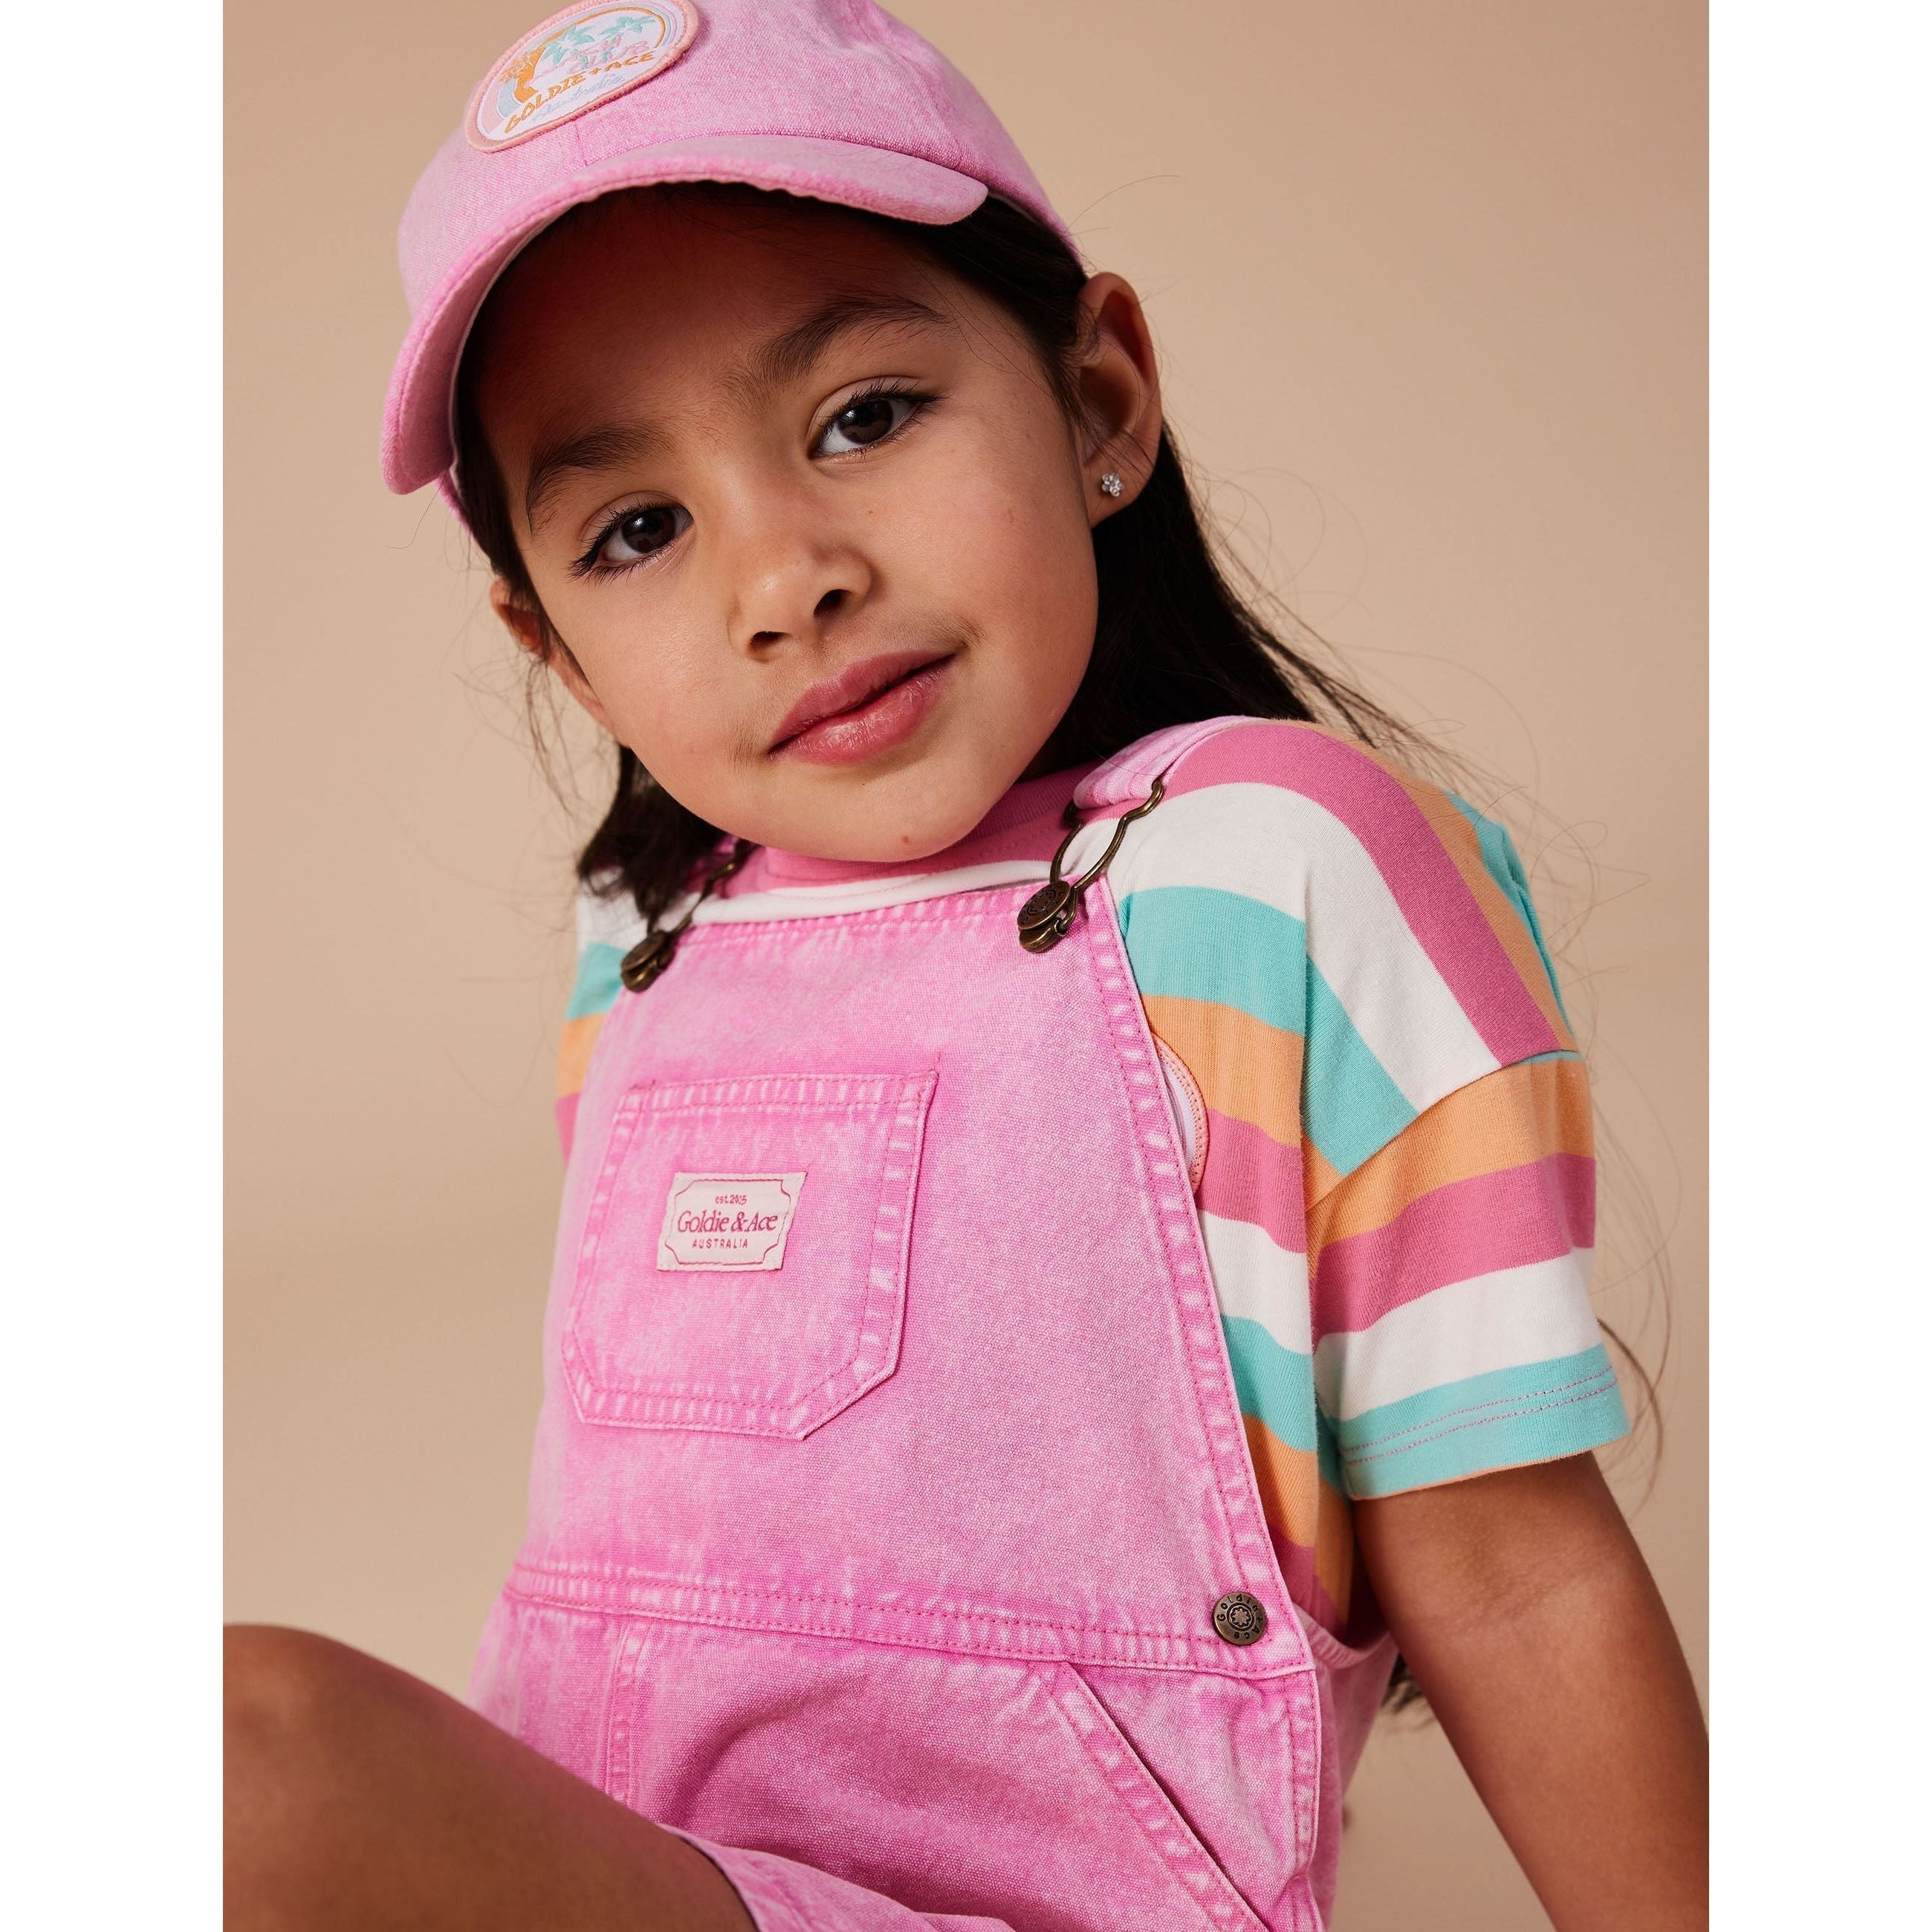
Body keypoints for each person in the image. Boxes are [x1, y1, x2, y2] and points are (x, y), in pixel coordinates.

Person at [224, 2, 1708, 1926]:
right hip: (642, 1875)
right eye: (640, 528)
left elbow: (1514, 1571)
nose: (786, 579)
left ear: (1099, 402)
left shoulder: (1275, 878)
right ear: (559, 651)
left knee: (238, 1763)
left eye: (864, 418)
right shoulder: (644, 954)